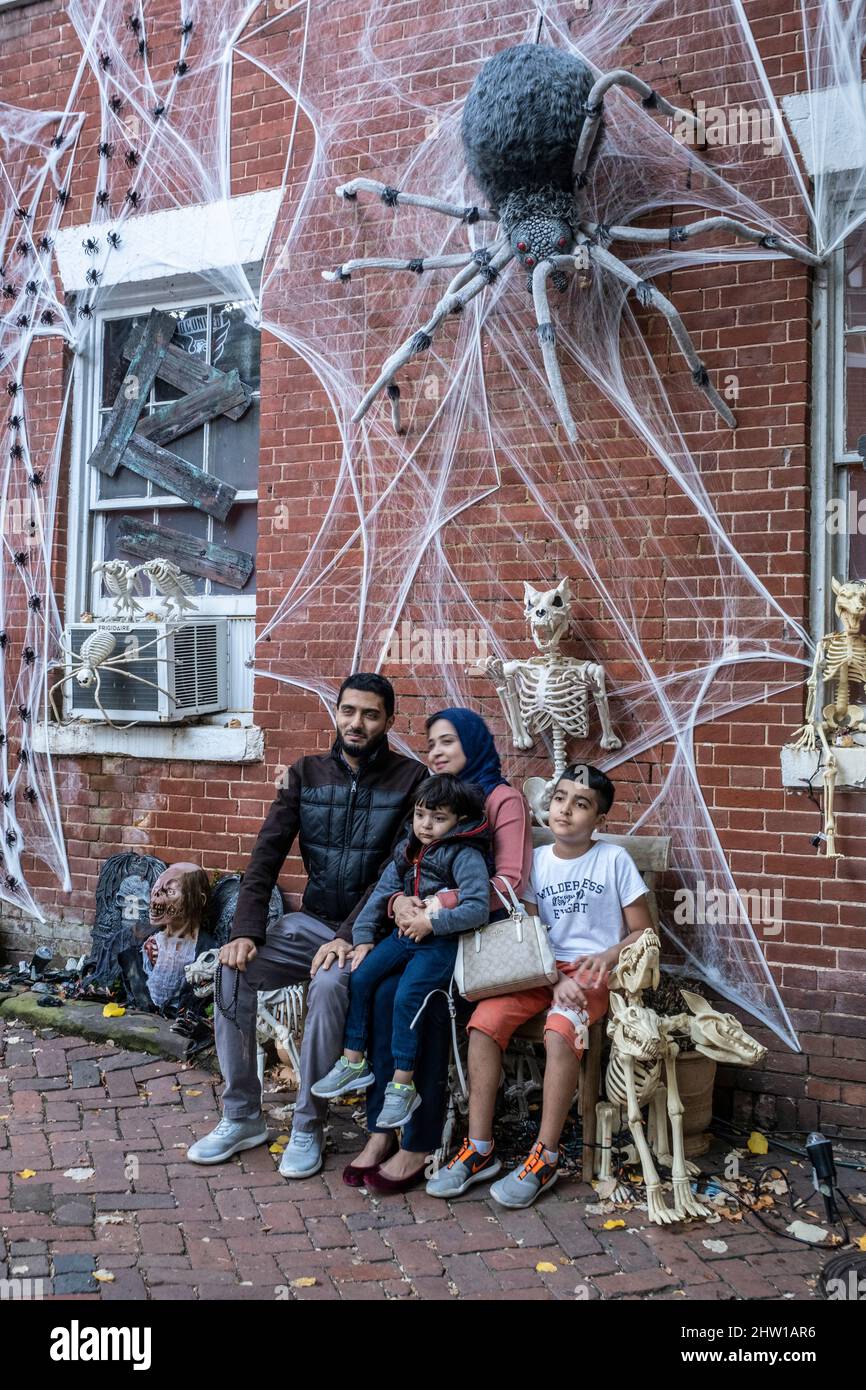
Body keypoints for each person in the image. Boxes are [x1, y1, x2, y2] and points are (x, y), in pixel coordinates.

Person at [186, 673, 427, 1176]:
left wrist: (347, 937)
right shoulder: (305, 774)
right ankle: (242, 1115)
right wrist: (245, 933)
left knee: (328, 987)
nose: (356, 723)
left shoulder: (411, 781)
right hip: (308, 923)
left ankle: (307, 1125)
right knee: (232, 973)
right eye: (348, 711)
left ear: (388, 721)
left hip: (367, 934)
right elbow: (265, 856)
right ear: (336, 713)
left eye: (370, 714)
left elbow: (396, 870)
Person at [427, 762, 654, 1209]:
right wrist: (551, 981)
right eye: (560, 798)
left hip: (590, 975)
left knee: (559, 1031)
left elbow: (643, 933)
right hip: (540, 969)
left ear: (600, 820)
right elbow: (529, 932)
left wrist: (608, 955)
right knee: (483, 1023)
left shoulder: (613, 860)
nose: (566, 809)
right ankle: (480, 1147)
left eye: (582, 804)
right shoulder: (538, 862)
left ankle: (545, 1155)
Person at [344, 708, 533, 1194]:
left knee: (424, 1005)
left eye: (449, 741)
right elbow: (403, 867)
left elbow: (508, 883)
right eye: (431, 745)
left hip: (471, 944)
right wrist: (396, 902)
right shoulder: (434, 800)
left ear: (473, 743)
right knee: (383, 993)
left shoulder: (500, 799)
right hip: (420, 934)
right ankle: (382, 1130)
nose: (438, 753)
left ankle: (419, 1141)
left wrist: (433, 906)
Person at [312, 775, 491, 1129]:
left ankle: (402, 1085)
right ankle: (353, 1061)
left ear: (460, 820)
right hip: (403, 937)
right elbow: (384, 892)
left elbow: (478, 908)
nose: (426, 824)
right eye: (420, 814)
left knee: (407, 997)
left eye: (438, 818)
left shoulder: (465, 854)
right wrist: (362, 936)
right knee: (361, 976)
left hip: (440, 943)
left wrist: (433, 923)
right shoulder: (408, 849)